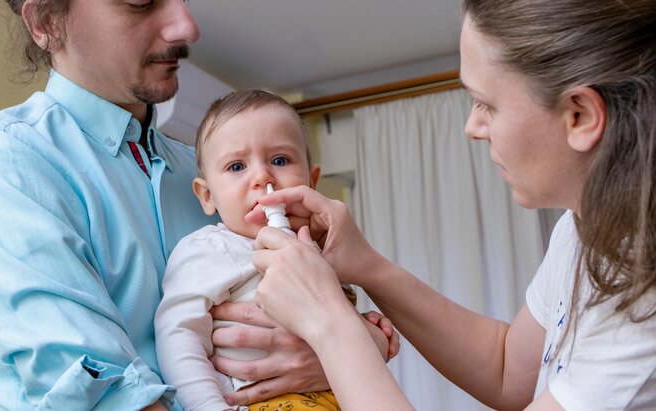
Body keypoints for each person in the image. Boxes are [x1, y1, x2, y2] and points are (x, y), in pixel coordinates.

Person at [222, 0, 656, 410]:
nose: (473, 126)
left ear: (580, 116)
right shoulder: (581, 229)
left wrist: (330, 326)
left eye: (487, 104)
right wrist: (366, 265)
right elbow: (508, 370)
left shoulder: (645, 299)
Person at [0, 1, 331, 409]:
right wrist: (339, 354)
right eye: (141, 2)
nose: (187, 28)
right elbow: (103, 392)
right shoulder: (7, 162)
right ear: (46, 22)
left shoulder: (212, 178)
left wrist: (331, 354)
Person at [153, 89, 396, 411]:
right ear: (207, 196)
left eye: (280, 160)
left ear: (311, 181)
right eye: (237, 166)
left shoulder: (324, 248)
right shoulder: (209, 250)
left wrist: (365, 329)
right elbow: (179, 337)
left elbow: (332, 331)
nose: (262, 177)